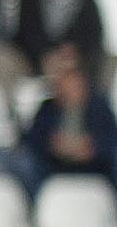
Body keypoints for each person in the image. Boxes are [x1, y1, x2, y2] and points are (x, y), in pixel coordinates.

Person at [20, 43, 117, 191]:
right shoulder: (48, 108)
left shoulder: (99, 107)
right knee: (25, 163)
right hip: (55, 166)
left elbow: (111, 140)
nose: (71, 86)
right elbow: (31, 141)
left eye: (74, 81)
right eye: (66, 81)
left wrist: (91, 148)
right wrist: (53, 145)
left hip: (94, 167)